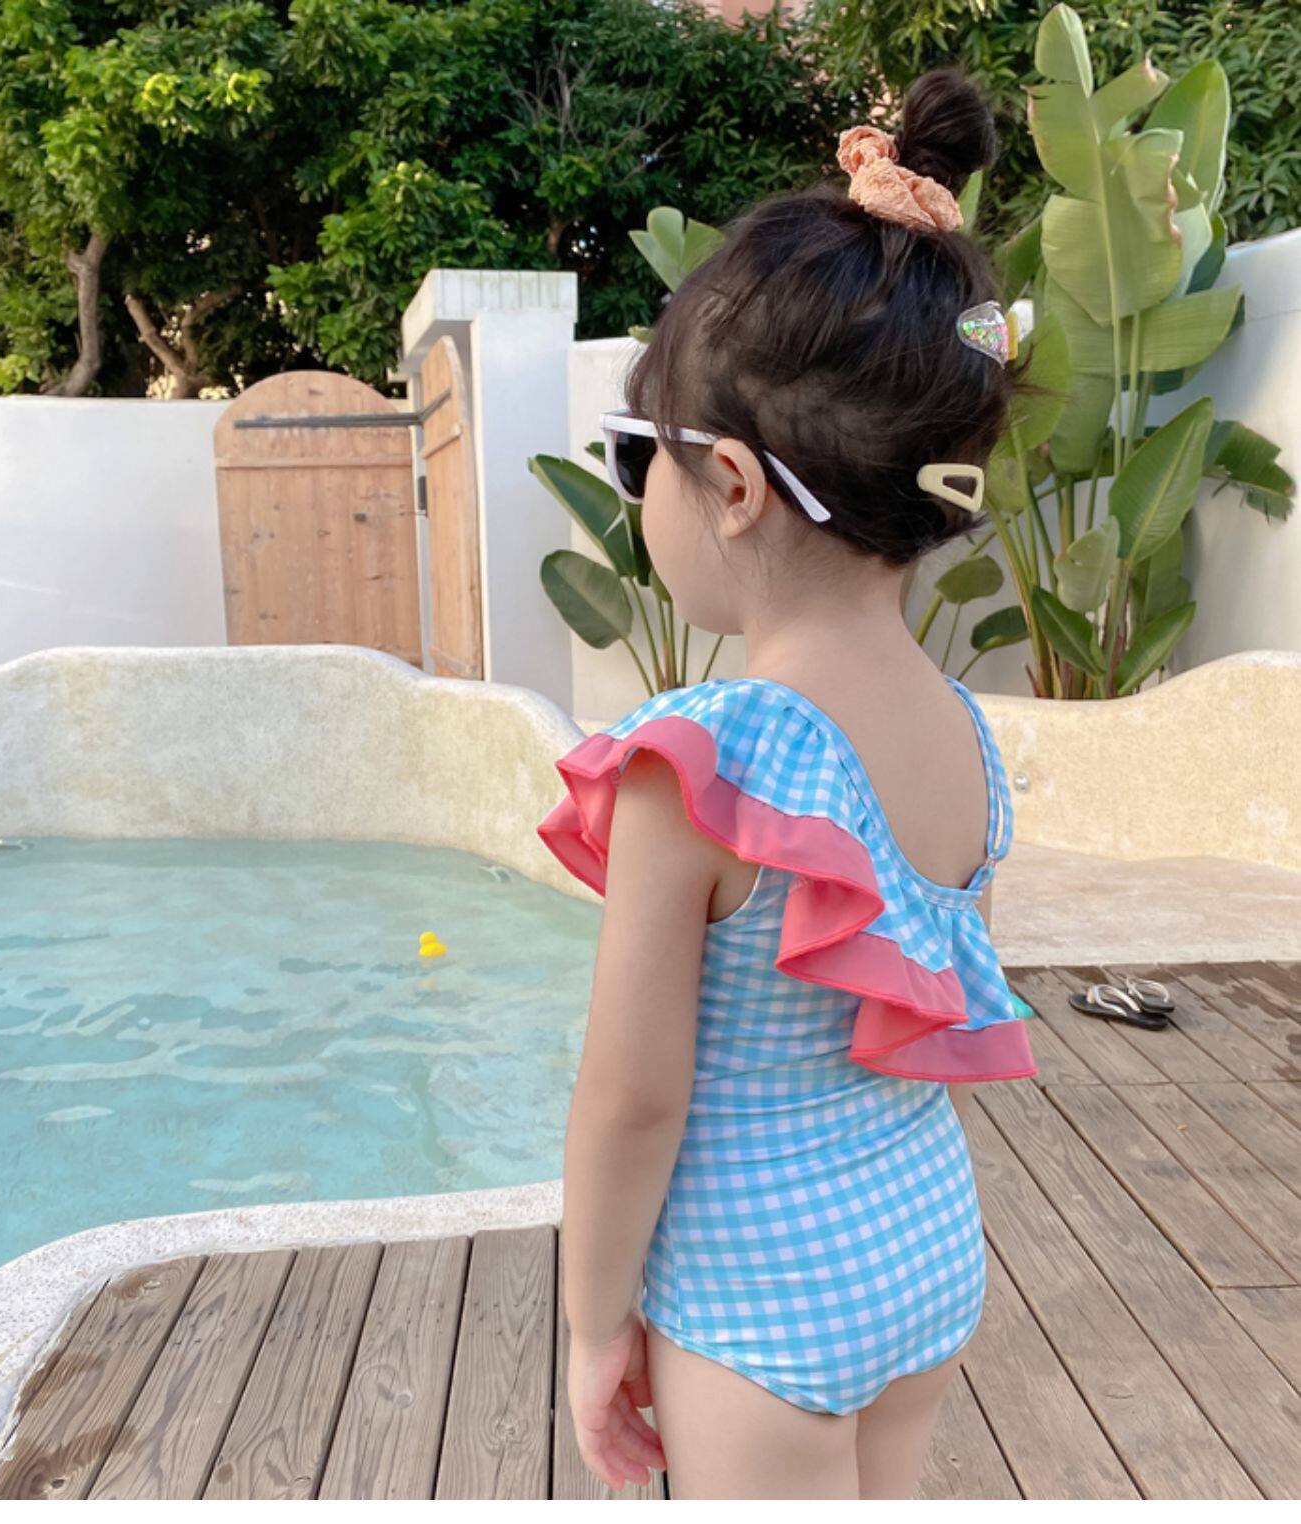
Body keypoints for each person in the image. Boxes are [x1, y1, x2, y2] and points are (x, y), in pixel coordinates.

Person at [536, 69, 1038, 1501]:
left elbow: (632, 1097)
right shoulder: (963, 732)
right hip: (923, 1244)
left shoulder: (703, 757)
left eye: (642, 458)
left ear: (737, 487)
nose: (638, 491)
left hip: (760, 1289)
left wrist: (593, 1325)